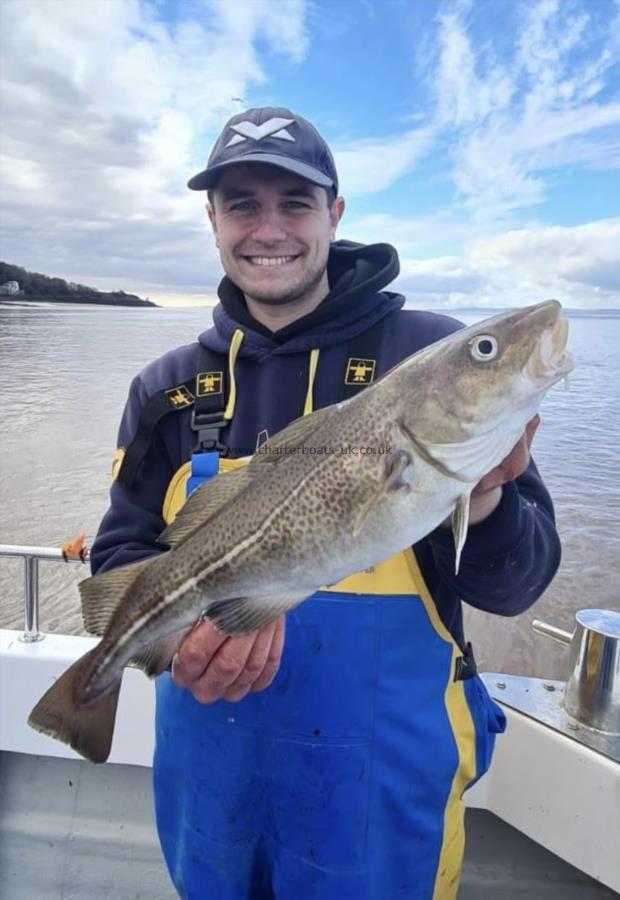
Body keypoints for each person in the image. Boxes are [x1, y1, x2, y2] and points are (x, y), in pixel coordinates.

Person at [91, 107, 561, 900]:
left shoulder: (425, 352)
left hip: (382, 795)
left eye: (295, 203)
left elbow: (517, 585)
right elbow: (122, 554)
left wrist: (481, 500)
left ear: (335, 214)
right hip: (212, 779)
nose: (268, 228)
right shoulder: (166, 390)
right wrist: (172, 644)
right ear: (212, 219)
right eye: (242, 203)